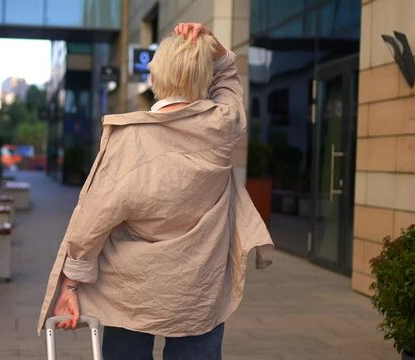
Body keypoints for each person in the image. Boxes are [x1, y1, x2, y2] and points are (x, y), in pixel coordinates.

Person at [38, 23, 274, 359]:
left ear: (154, 78)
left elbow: (94, 218)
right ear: (203, 78)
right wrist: (210, 43)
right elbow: (229, 78)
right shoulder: (223, 125)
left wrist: (70, 284)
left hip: (132, 289)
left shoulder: (131, 139)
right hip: (199, 287)